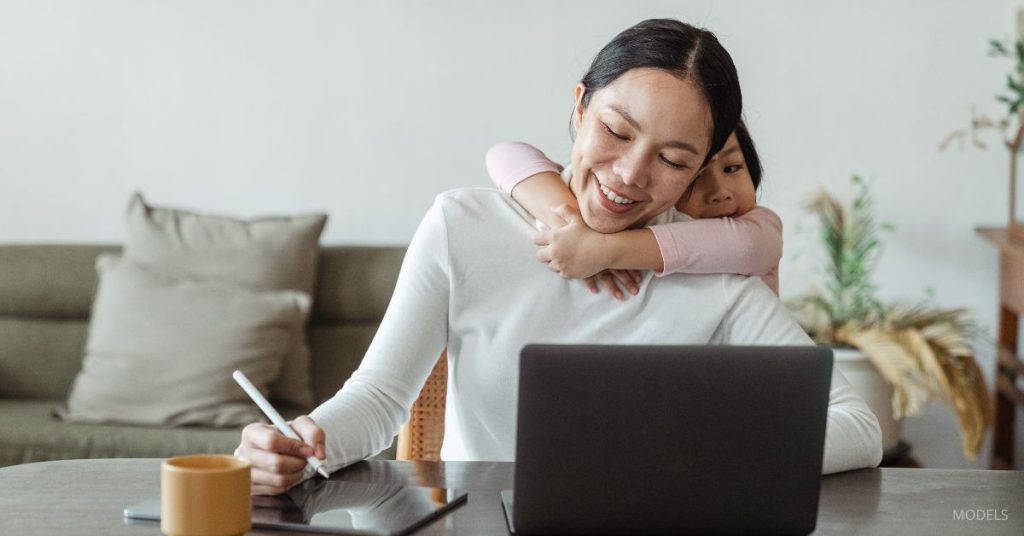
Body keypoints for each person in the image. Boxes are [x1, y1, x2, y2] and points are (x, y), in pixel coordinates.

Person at [236, 18, 883, 496]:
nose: (630, 174)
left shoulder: (716, 276)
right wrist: (298, 441)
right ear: (579, 108)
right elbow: (378, 400)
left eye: (673, 159)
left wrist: (711, 453)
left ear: (698, 173)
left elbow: (858, 425)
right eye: (616, 131)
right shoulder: (463, 227)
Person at [485, 120, 782, 298]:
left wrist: (603, 249)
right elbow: (505, 154)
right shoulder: (645, 217)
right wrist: (572, 225)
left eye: (733, 168)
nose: (720, 193)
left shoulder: (759, 228)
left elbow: (746, 246)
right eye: (695, 178)